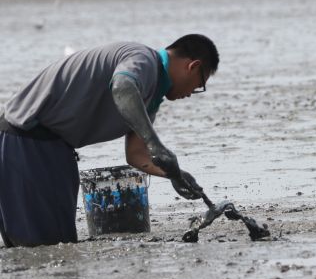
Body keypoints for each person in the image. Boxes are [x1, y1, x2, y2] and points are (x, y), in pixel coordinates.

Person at [0, 34, 219, 247]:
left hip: (48, 147)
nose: (192, 93)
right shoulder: (143, 59)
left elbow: (136, 154)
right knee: (45, 246)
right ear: (193, 66)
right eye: (199, 85)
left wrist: (174, 175)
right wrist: (155, 143)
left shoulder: (151, 94)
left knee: (44, 248)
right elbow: (122, 86)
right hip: (26, 140)